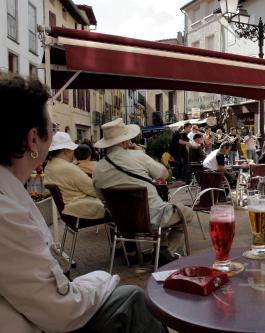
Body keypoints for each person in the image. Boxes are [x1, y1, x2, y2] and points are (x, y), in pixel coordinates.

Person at [0, 74, 165, 333]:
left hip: (81, 217)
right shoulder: (7, 212)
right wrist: (102, 278)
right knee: (132, 299)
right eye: (52, 127)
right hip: (42, 317)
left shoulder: (16, 190)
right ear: (33, 139)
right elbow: (61, 311)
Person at [93, 118, 193, 262]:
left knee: (163, 210)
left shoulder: (97, 169)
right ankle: (164, 252)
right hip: (152, 217)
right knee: (186, 213)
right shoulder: (137, 155)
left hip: (122, 223)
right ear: (124, 141)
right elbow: (164, 175)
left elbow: (102, 198)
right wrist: (142, 154)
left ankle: (161, 250)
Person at [44, 132, 106, 220]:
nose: (73, 152)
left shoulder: (48, 166)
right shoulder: (68, 168)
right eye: (72, 149)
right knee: (116, 206)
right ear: (65, 151)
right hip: (78, 210)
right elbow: (93, 189)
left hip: (68, 211)